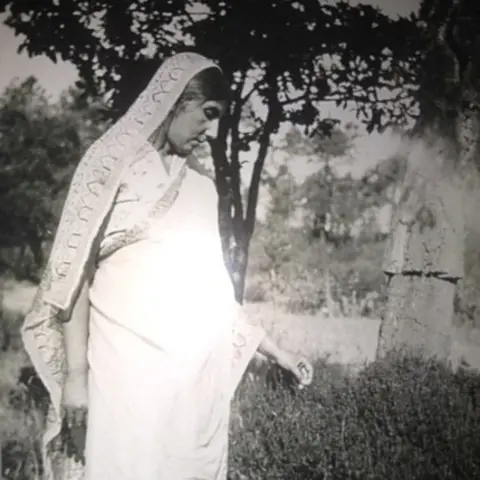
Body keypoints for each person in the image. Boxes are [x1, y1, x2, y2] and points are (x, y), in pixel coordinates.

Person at [21, 52, 313, 480]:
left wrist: (277, 352)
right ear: (177, 101)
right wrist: (76, 379)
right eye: (206, 114)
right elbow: (72, 276)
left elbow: (211, 291)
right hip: (120, 376)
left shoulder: (200, 186)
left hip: (188, 385)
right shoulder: (107, 164)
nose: (209, 131)